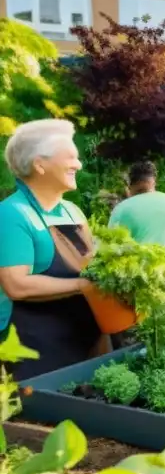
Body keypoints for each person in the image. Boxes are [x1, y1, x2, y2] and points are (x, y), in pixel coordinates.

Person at [0, 119, 105, 378]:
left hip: (82, 337)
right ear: (39, 164)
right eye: (70, 157)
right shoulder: (12, 215)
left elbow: (91, 270)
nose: (78, 165)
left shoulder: (73, 211)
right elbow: (16, 285)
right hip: (32, 349)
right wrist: (80, 286)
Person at [108, 161, 165, 265]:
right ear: (154, 182)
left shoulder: (120, 210)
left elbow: (111, 251)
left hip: (135, 277)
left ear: (129, 186)